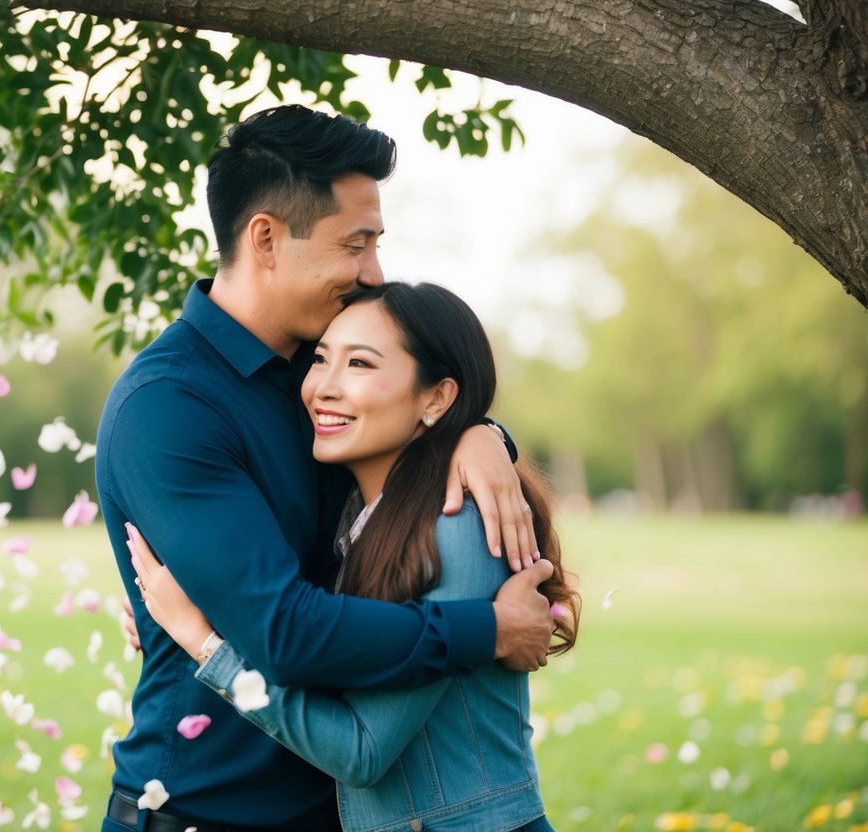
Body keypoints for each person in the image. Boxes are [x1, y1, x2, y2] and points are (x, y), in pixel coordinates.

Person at [95, 104, 555, 832]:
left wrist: (475, 433)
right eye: (355, 244)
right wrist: (483, 632)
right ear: (267, 239)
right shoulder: (170, 407)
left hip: (334, 805)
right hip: (210, 813)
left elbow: (413, 420)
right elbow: (284, 632)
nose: (374, 270)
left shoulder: (314, 376)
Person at [130, 281, 581, 832]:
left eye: (360, 364)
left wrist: (204, 641)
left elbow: (361, 752)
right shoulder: (348, 512)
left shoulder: (460, 524)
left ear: (436, 399)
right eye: (321, 359)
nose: (323, 387)